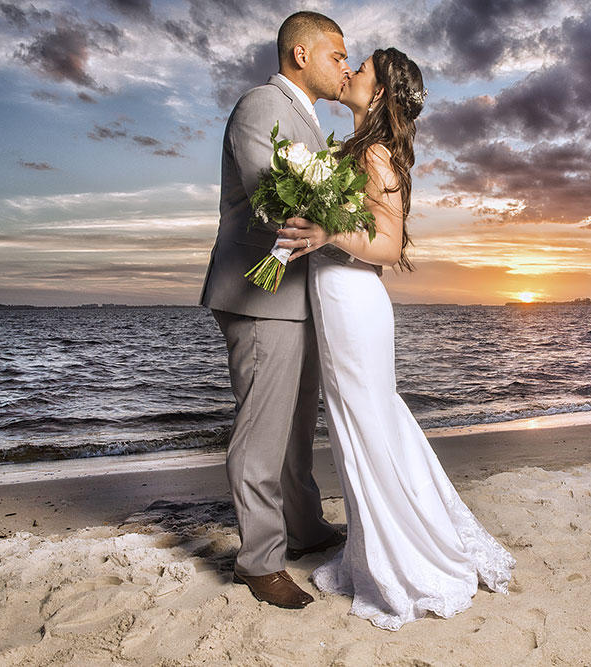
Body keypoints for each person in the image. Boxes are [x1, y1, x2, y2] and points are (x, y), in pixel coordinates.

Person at [277, 48, 516, 630]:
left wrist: (328, 229)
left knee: (367, 421)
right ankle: (378, 540)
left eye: (363, 70)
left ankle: (406, 556)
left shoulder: (378, 155)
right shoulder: (352, 150)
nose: (352, 71)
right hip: (334, 296)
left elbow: (387, 245)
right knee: (364, 421)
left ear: (379, 94)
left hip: (354, 299)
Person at [199, 11, 356, 610]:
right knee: (262, 427)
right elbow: (274, 201)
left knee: (294, 425)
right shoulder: (260, 105)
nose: (344, 67)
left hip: (298, 293)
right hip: (259, 290)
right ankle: (259, 560)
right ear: (300, 55)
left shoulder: (309, 119)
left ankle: (304, 526)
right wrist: (338, 217)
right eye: (338, 56)